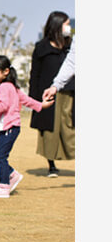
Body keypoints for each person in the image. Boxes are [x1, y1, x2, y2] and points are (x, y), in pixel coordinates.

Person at [0, 56, 54, 198]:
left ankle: (3, 186)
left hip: (9, 127)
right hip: (3, 127)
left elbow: (4, 106)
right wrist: (41, 105)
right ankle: (12, 174)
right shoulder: (11, 87)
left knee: (0, 156)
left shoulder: (6, 86)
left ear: (6, 71)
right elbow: (27, 101)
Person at [29, 12, 74, 178]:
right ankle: (51, 165)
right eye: (66, 24)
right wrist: (34, 99)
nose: (69, 27)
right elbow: (35, 74)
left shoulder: (71, 46)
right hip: (48, 94)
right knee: (49, 131)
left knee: (70, 127)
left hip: (70, 93)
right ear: (57, 25)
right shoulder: (42, 47)